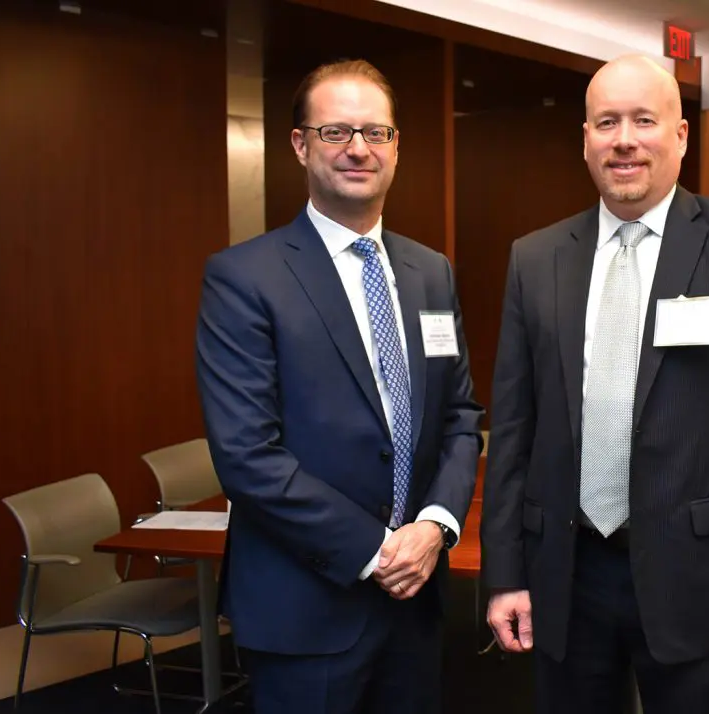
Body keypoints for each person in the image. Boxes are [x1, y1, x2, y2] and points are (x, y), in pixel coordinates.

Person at [480, 54, 709, 713]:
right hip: (566, 576)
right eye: (607, 122)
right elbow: (515, 429)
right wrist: (504, 573)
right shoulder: (536, 257)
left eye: (644, 120)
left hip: (702, 581)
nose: (625, 140)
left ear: (681, 135)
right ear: (585, 139)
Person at [196, 59, 483, 714]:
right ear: (301, 145)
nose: (359, 148)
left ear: (396, 147)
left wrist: (434, 526)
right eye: (336, 132)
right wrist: (378, 551)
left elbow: (460, 416)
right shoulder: (245, 278)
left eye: (376, 132)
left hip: (415, 602)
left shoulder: (431, 272)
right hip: (306, 608)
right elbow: (246, 455)